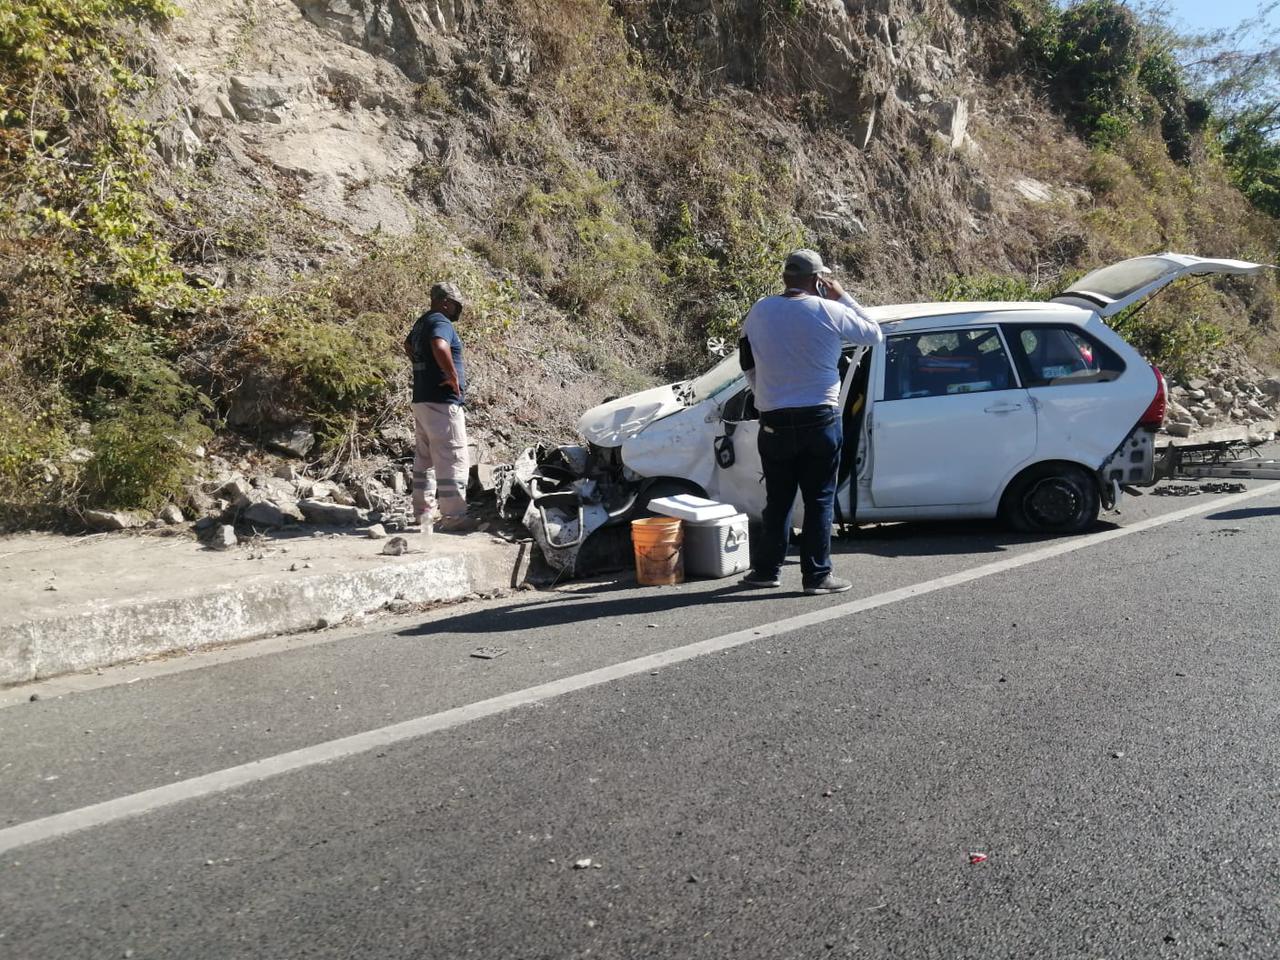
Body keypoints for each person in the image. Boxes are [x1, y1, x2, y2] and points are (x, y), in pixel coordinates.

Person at [737, 249, 884, 594]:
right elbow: (873, 333)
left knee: (778, 498)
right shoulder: (829, 310)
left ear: (785, 278)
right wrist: (842, 295)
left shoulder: (759, 311)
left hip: (773, 420)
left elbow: (746, 360)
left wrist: (763, 396)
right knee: (819, 498)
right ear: (818, 280)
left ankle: (766, 571)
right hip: (819, 417)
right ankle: (817, 576)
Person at [404, 282, 476, 533]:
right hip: (442, 401)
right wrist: (451, 376)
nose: (458, 310)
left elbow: (408, 345)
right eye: (456, 304)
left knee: (425, 459)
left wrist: (425, 371)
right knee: (452, 457)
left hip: (422, 398)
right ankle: (455, 517)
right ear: (445, 302)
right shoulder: (440, 321)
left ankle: (423, 513)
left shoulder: (421, 322)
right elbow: (439, 345)